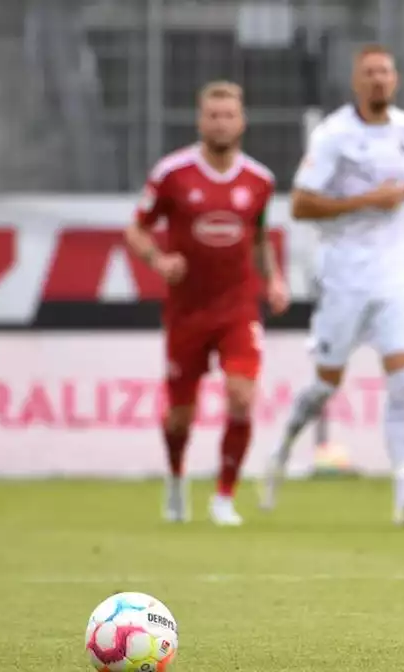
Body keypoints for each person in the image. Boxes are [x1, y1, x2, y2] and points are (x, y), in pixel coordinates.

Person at [259, 44, 404, 527]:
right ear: (356, 82)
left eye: (385, 72)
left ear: (396, 79)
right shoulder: (333, 135)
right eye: (369, 73)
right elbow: (301, 205)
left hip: (394, 275)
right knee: (325, 386)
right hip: (343, 276)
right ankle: (283, 446)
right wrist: (373, 198)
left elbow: (396, 192)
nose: (378, 81)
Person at [124, 81, 289, 527]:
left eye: (228, 114)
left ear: (242, 121)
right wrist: (158, 259)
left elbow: (257, 238)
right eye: (213, 114)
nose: (221, 122)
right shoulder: (172, 174)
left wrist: (273, 280)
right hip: (186, 312)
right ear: (201, 120)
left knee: (241, 397)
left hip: (237, 308)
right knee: (180, 417)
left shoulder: (259, 180)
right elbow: (136, 230)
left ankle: (223, 497)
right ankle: (177, 480)